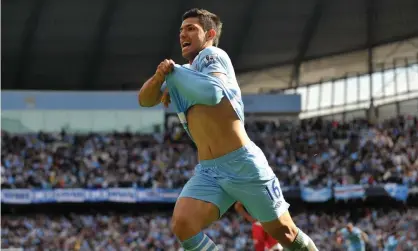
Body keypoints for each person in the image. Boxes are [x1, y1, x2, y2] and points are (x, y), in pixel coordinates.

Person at [138, 8, 318, 251]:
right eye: (181, 30)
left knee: (286, 234)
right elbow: (145, 100)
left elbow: (212, 94)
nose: (183, 34)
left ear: (210, 34)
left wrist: (176, 74)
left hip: (243, 164)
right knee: (183, 224)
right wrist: (161, 76)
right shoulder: (180, 74)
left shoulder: (212, 55)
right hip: (209, 171)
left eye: (191, 28)